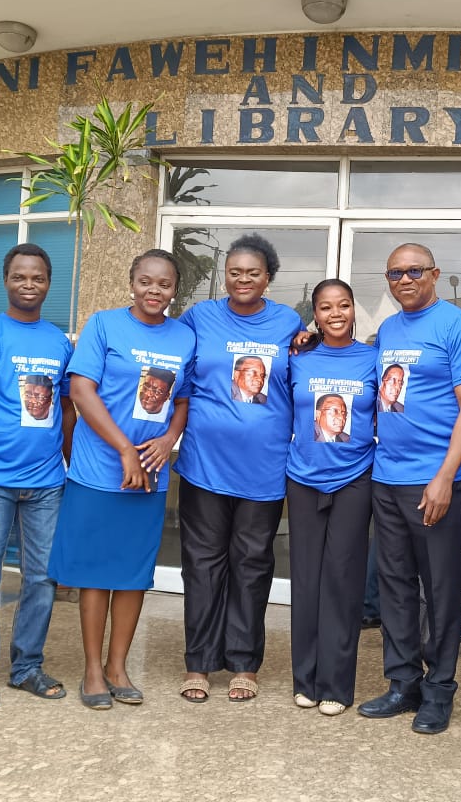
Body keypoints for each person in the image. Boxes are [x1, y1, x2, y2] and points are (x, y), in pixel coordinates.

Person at [48, 248, 194, 708]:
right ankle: (92, 670)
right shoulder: (104, 325)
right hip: (98, 472)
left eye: (165, 284)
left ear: (175, 289)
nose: (155, 290)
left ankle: (118, 667)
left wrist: (169, 437)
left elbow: (183, 401)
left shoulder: (183, 338)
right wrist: (125, 449)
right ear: (132, 282)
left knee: (132, 576)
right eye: (146, 281)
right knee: (95, 574)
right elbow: (80, 390)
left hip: (149, 476)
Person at [357, 243, 461, 735]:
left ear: (435, 273)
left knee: (440, 588)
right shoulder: (388, 329)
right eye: (394, 273)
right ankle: (402, 683)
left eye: (414, 271)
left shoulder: (458, 326)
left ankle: (440, 690)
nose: (404, 279)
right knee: (394, 587)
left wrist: (444, 477)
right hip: (387, 477)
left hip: (437, 480)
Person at [175, 234, 302, 703]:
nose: (242, 279)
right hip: (204, 466)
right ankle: (200, 662)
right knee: (202, 565)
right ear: (223, 274)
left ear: (268, 277)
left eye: (253, 272)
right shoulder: (199, 317)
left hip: (264, 469)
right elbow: (173, 367)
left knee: (251, 565)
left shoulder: (288, 322)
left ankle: (244, 663)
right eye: (234, 271)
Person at [0, 243, 76, 709]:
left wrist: (69, 468)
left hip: (47, 482)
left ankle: (27, 666)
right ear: (6, 280)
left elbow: (65, 410)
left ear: (50, 283)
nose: (29, 285)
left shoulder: (58, 342)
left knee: (42, 578)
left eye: (38, 277)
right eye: (20, 277)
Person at [287, 279, 378, 716]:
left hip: (353, 480)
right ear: (315, 314)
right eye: (325, 307)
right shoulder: (298, 358)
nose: (335, 314)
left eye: (343, 305)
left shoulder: (372, 359)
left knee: (342, 583)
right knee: (306, 582)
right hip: (302, 478)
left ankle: (336, 686)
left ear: (354, 309)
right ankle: (303, 679)